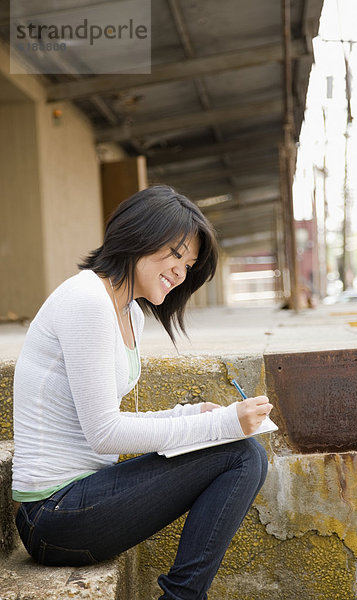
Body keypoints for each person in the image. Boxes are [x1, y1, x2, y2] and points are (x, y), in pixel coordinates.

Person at [12, 185, 273, 600]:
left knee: (242, 451)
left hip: (84, 495)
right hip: (52, 514)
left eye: (188, 264)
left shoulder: (130, 311)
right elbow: (105, 433)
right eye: (175, 254)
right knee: (241, 455)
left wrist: (194, 417)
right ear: (138, 236)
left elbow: (105, 422)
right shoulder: (87, 300)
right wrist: (220, 423)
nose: (181, 272)